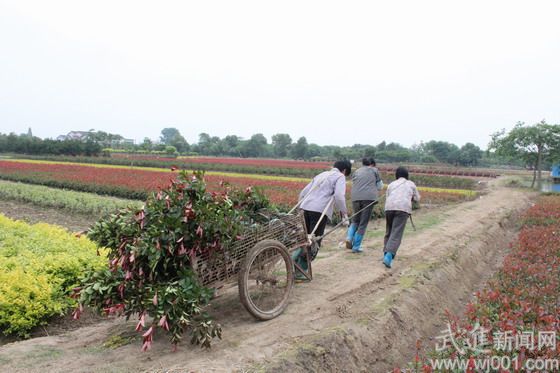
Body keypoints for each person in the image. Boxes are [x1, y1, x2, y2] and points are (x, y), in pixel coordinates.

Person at [293, 160, 352, 277]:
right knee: (314, 242)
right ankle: (298, 270)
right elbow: (339, 196)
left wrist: (300, 206)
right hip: (319, 211)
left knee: (305, 238)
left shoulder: (322, 174)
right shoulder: (340, 177)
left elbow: (304, 192)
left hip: (305, 208)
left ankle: (296, 265)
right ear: (345, 170)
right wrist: (344, 214)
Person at [382, 166, 420, 268]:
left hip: (389, 208)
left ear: (396, 175)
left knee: (389, 231)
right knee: (396, 233)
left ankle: (385, 253)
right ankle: (388, 256)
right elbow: (417, 198)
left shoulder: (391, 184)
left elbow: (387, 196)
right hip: (402, 209)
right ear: (407, 175)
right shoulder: (411, 184)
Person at [346, 157, 383, 253]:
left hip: (355, 197)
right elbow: (380, 187)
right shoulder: (375, 171)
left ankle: (349, 237)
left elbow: (354, 183)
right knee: (363, 223)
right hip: (368, 198)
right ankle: (356, 247)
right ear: (372, 164)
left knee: (355, 220)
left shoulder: (357, 171)